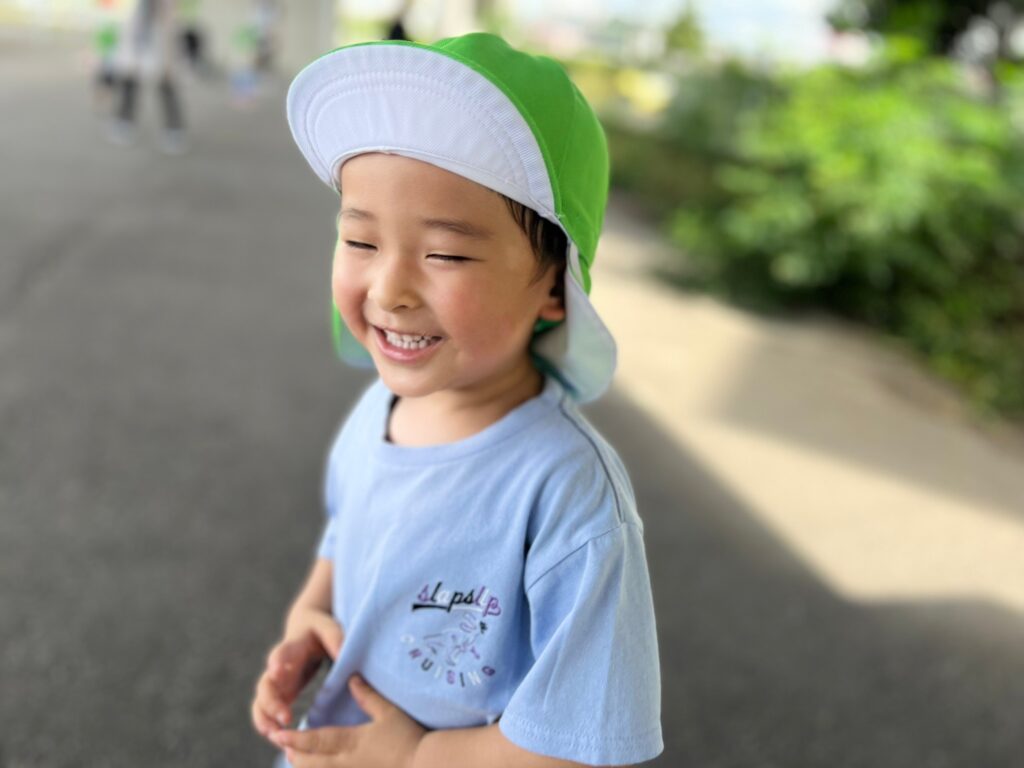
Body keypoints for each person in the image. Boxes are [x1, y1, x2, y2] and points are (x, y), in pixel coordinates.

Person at [251, 32, 664, 768]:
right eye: (361, 241)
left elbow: (582, 739)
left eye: (445, 253)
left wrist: (416, 755)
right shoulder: (381, 411)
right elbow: (350, 529)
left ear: (554, 287)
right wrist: (311, 610)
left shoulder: (568, 494)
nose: (389, 290)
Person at [107, 0, 186, 154]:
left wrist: (169, 59)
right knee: (131, 82)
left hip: (160, 43)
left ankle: (174, 129)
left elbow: (169, 26)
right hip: (140, 43)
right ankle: (124, 121)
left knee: (165, 85)